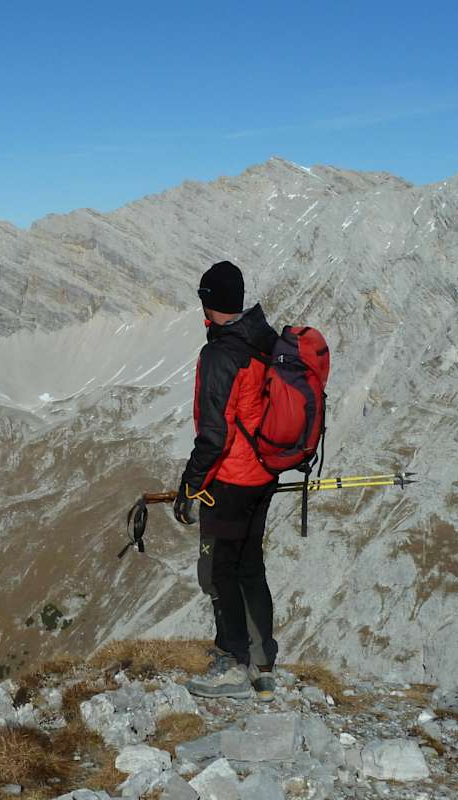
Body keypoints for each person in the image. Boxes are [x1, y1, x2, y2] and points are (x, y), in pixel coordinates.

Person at [174, 260, 280, 700]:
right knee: (250, 568)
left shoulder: (219, 354)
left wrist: (190, 485)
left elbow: (214, 435)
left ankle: (231, 663)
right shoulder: (263, 339)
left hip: (230, 481)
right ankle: (262, 666)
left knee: (219, 572)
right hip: (264, 475)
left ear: (208, 303)